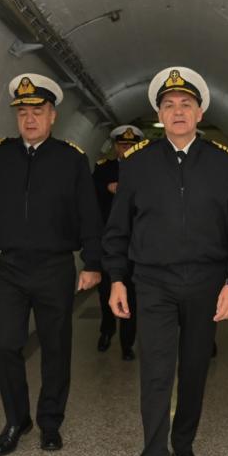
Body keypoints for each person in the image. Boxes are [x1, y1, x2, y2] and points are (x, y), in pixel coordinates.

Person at [103, 67, 228, 456]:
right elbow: (117, 230)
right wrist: (117, 278)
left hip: (207, 284)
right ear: (159, 114)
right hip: (153, 282)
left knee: (193, 368)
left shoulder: (225, 166)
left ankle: (183, 443)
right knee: (156, 374)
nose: (177, 111)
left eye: (186, 104)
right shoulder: (137, 165)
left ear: (200, 112)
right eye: (169, 105)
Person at [0, 73, 102, 456]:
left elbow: (90, 217)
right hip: (10, 268)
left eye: (38, 111)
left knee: (56, 347)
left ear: (53, 115)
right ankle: (16, 419)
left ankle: (50, 422)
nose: (29, 119)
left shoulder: (71, 160)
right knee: (5, 345)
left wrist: (93, 263)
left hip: (55, 267)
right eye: (23, 112)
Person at [92, 125, 143, 360]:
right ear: (116, 147)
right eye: (123, 145)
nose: (127, 149)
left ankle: (127, 343)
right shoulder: (104, 169)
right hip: (109, 243)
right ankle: (107, 330)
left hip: (136, 244)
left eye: (131, 145)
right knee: (106, 291)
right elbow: (91, 201)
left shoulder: (147, 170)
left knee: (132, 294)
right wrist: (107, 188)